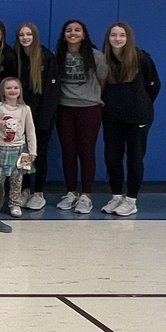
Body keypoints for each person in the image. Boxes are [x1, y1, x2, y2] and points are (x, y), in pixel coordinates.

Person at [101, 22, 161, 217]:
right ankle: (116, 196)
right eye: (113, 35)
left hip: (138, 118)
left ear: (128, 38)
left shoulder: (141, 58)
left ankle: (131, 199)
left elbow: (154, 86)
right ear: (108, 38)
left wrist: (140, 104)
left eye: (122, 35)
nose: (117, 39)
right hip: (112, 118)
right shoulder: (105, 61)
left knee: (135, 158)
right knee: (112, 158)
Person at [55, 19, 108, 214]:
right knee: (68, 151)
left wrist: (90, 97)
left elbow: (103, 80)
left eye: (77, 30)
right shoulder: (57, 56)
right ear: (64, 35)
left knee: (87, 152)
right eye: (68, 30)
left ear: (84, 34)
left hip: (89, 109)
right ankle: (71, 192)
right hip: (64, 108)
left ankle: (86, 195)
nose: (73, 33)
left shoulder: (96, 56)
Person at [13, 22, 58, 211]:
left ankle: (38, 192)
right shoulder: (16, 57)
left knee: (39, 155)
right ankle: (25, 189)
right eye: (22, 35)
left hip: (41, 118)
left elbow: (52, 92)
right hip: (21, 118)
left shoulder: (46, 57)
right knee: (24, 155)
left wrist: (45, 120)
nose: (25, 38)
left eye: (28, 34)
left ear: (35, 36)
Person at [0, 77, 37, 218]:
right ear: (3, 91)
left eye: (15, 88)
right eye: (8, 88)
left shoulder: (25, 109)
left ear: (20, 91)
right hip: (0, 148)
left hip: (22, 149)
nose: (12, 90)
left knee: (17, 179)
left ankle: (15, 203)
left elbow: (30, 131)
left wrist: (33, 151)